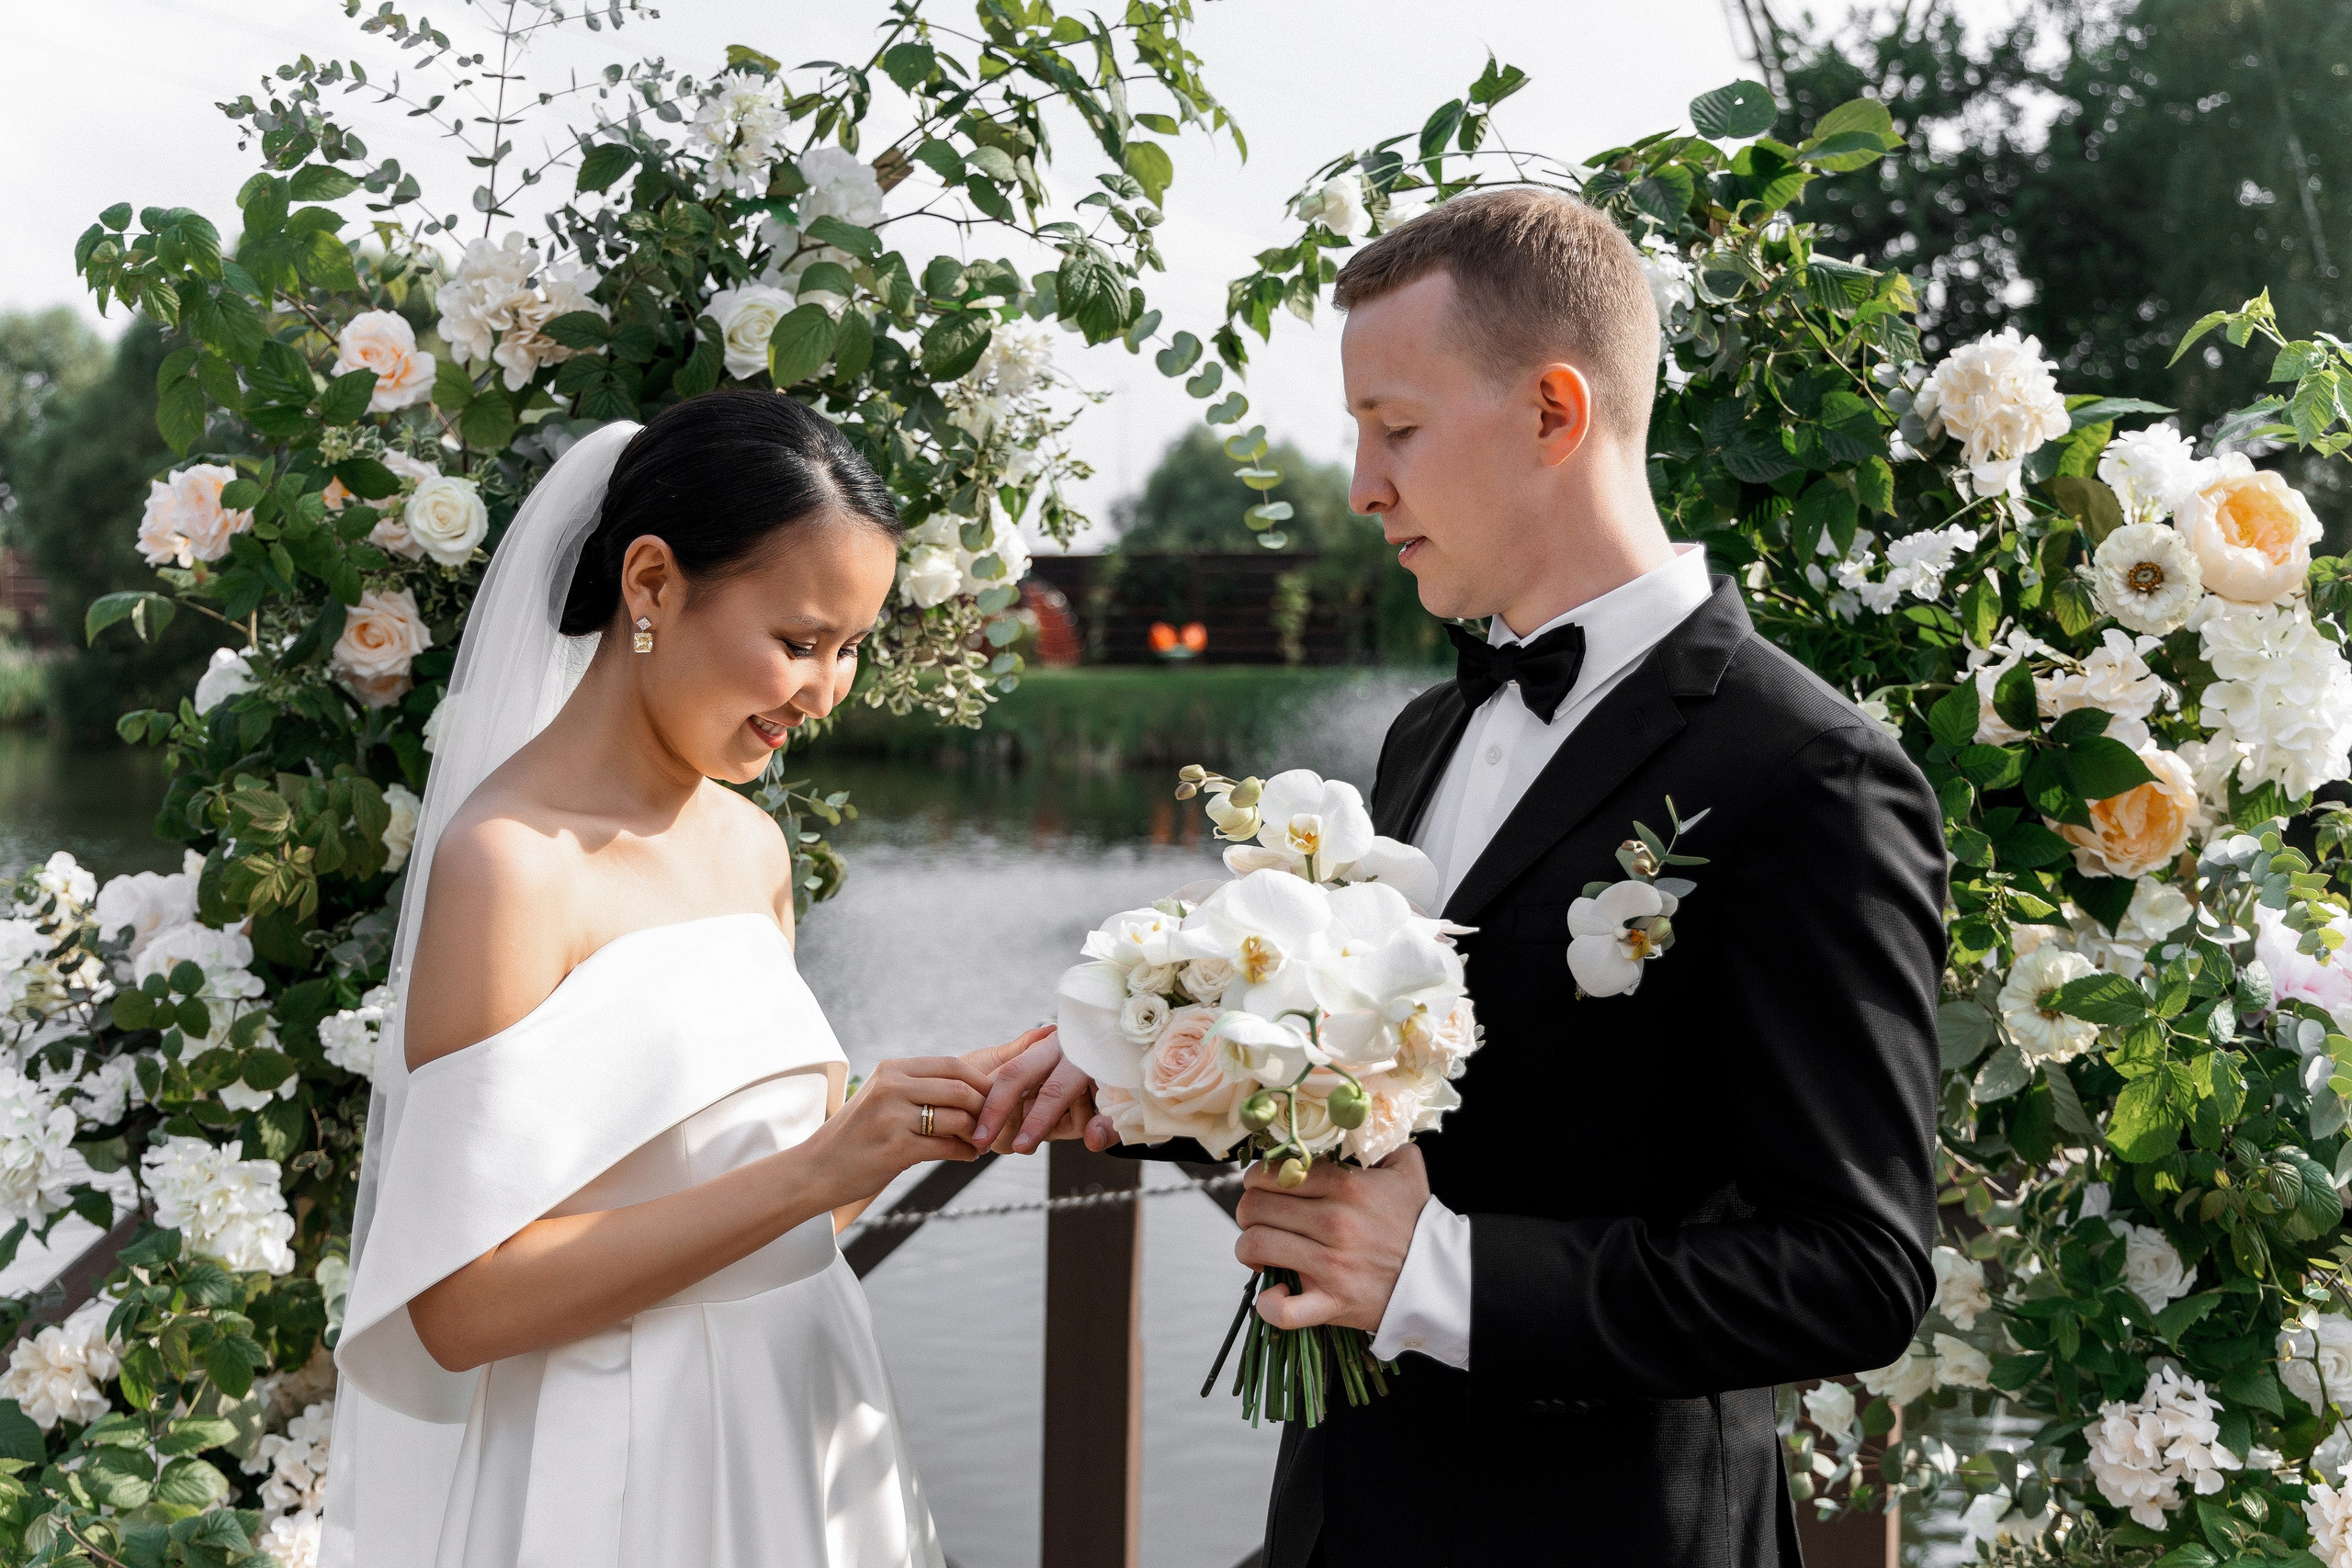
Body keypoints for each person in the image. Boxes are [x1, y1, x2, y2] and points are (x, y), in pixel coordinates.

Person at [1097, 189, 1948, 1564]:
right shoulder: (1427, 730)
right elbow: (1389, 1085)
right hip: (1347, 1515)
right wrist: (1141, 1071)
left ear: (1554, 412)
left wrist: (1437, 1272)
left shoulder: (1814, 773)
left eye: (1398, 428)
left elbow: (1856, 1267)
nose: (1366, 484)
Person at [328, 390, 1089, 1568]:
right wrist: (821, 1163)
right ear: (650, 585)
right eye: (796, 641)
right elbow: (460, 1306)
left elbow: (772, 1214)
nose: (823, 692)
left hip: (808, 1422)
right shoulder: (511, 867)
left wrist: (900, 1136)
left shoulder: (750, 849)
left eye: (849, 650)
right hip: (616, 1467)